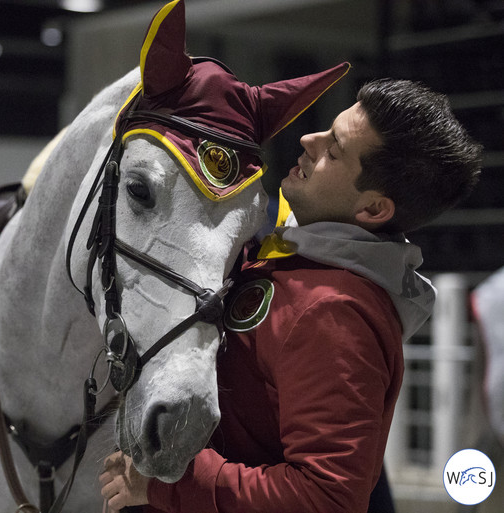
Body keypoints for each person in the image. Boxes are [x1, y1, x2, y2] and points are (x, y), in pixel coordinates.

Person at [98, 78, 483, 512]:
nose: (308, 139)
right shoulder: (296, 259)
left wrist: (167, 485)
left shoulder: (334, 313)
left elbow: (326, 498)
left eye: (333, 150)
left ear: (373, 210)